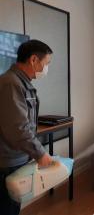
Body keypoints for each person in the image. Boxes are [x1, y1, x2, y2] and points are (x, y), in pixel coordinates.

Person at [0, 40, 54, 215]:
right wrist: (40, 153)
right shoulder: (11, 83)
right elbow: (18, 128)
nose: (46, 69)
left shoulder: (22, 83)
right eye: (46, 63)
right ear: (33, 60)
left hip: (16, 159)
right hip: (7, 163)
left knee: (13, 207)